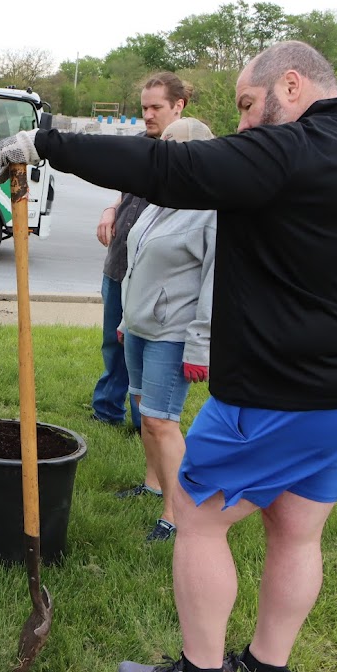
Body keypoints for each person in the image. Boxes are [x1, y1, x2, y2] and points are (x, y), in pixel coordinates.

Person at [0, 40, 337, 672]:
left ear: (291, 86)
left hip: (281, 393)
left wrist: (45, 143)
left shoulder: (290, 150)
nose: (243, 123)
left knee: (198, 518)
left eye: (247, 104)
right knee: (297, 530)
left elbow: (166, 166)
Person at [118, 117, 216, 543]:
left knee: (162, 421)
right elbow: (136, 265)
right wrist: (125, 318)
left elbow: (216, 283)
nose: (162, 156)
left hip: (174, 334)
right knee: (145, 413)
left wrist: (200, 345)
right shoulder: (159, 199)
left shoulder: (211, 211)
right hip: (138, 326)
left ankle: (177, 516)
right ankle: (153, 483)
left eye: (172, 148)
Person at [92, 72, 188, 442]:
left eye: (155, 107)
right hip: (119, 264)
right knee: (113, 342)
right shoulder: (137, 147)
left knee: (144, 347)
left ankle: (143, 422)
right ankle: (106, 409)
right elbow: (124, 193)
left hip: (154, 277)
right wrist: (110, 209)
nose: (147, 115)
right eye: (144, 107)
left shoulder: (189, 150)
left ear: (178, 106)